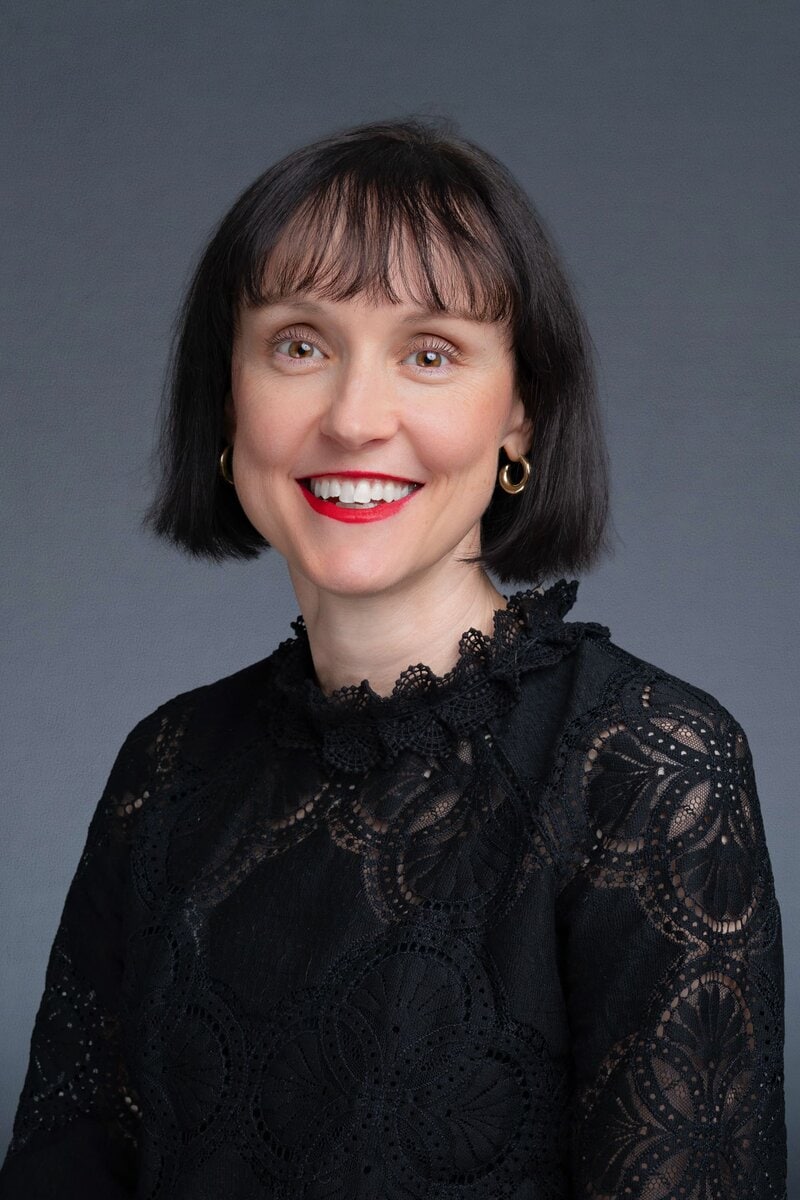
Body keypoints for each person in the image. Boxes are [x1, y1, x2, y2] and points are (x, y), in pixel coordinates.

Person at [0, 116, 786, 1199]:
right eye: (299, 345)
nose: (355, 418)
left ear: (520, 417)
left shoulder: (648, 771)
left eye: (429, 353)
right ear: (226, 398)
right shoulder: (166, 768)